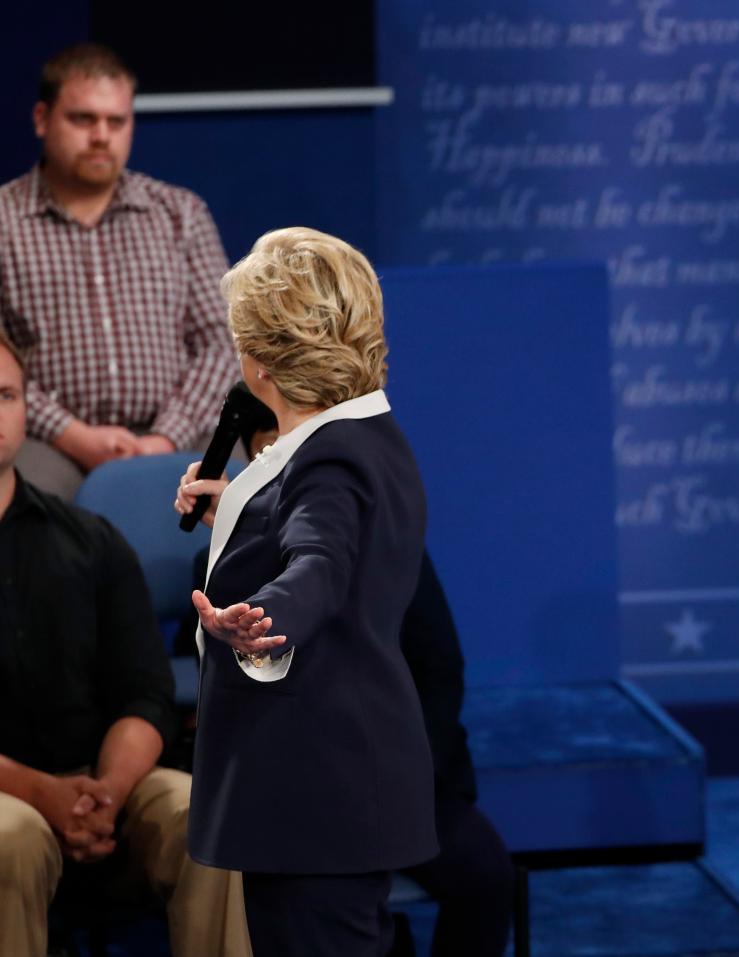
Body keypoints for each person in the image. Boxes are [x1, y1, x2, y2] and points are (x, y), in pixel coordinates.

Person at [175, 389, 516, 955]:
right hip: (297, 788)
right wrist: (239, 528)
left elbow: (436, 662)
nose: (282, 471)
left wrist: (409, 771)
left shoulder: (364, 513)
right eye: (267, 459)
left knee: (483, 878)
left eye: (286, 456)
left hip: (403, 771)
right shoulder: (222, 558)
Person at [176, 226, 437, 955]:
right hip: (339, 790)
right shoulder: (366, 437)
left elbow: (318, 566)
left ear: (259, 361)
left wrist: (262, 618)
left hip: (314, 794)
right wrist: (239, 506)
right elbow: (319, 536)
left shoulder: (327, 462)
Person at [0, 330, 248, 957]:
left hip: (101, 783)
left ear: (25, 407)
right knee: (13, 838)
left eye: (4, 395)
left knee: (207, 815)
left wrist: (106, 792)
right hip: (11, 802)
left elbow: (145, 693)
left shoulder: (90, 542)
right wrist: (45, 795)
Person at [0, 43, 237, 500]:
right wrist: (73, 435)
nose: (101, 136)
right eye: (83, 119)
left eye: (117, 121)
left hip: (179, 433)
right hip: (48, 442)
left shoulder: (179, 213)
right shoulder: (5, 221)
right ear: (41, 119)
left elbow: (221, 342)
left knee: (250, 497)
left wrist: (166, 436)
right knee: (27, 507)